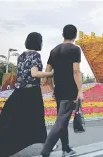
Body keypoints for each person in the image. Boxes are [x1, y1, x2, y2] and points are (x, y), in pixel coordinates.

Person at [0, 32, 54, 157]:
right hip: (31, 92)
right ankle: (47, 144)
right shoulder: (35, 55)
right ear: (38, 42)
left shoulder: (21, 56)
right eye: (41, 41)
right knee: (36, 119)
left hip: (19, 92)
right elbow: (34, 74)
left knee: (12, 119)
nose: (42, 43)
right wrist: (52, 73)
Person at [40, 24, 84, 157]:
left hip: (59, 91)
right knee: (61, 122)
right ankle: (46, 150)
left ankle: (66, 149)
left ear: (63, 35)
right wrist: (80, 91)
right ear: (75, 36)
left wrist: (53, 88)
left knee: (62, 121)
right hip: (70, 90)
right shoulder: (75, 49)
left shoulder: (54, 50)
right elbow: (76, 71)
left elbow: (47, 73)